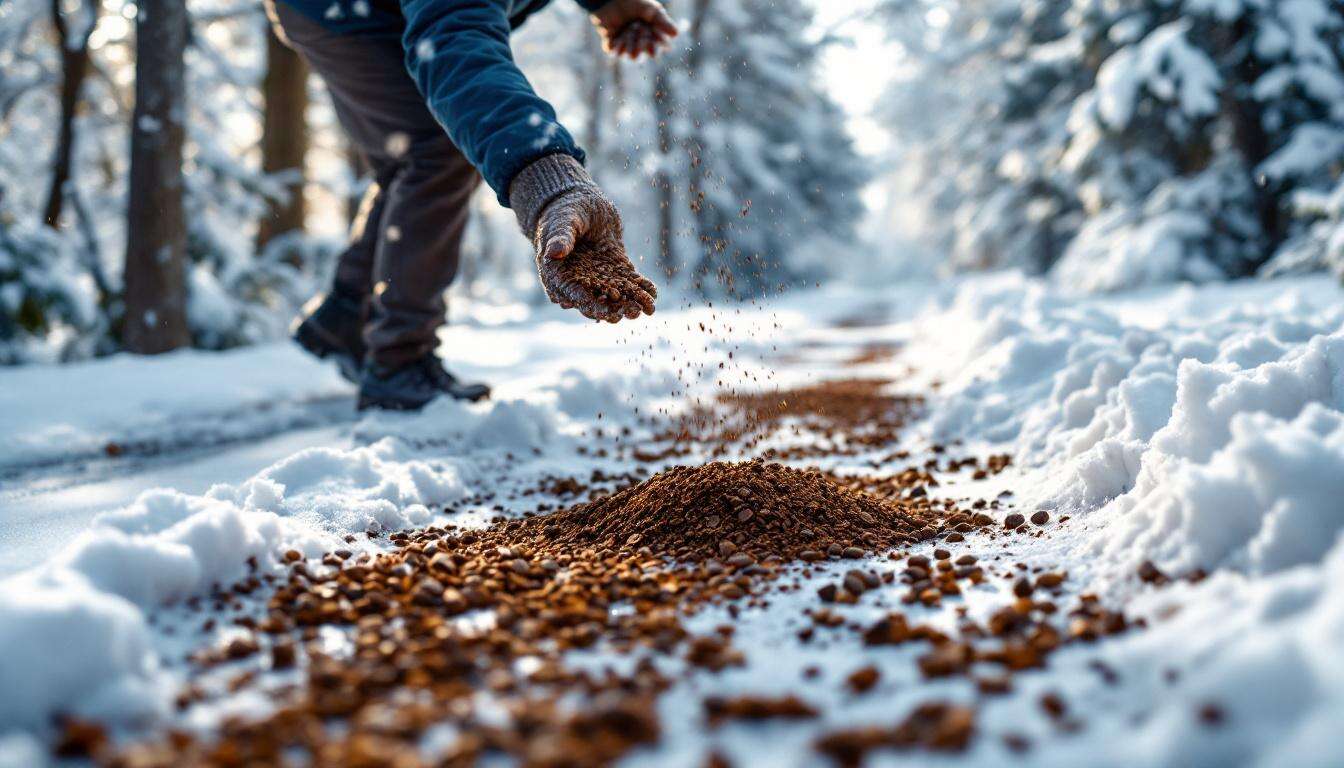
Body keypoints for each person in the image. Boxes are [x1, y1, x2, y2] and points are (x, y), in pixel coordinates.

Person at [271, 0, 675, 410]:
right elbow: (456, 45)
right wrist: (548, 180)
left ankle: (350, 312)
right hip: (339, 10)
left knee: (414, 157)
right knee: (437, 150)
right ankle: (398, 362)